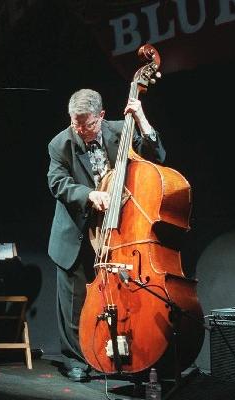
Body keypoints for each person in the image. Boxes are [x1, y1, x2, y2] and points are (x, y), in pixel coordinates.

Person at [46, 89, 165, 382]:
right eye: (75, 123)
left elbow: (158, 156)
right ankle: (75, 360)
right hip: (76, 231)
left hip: (117, 231)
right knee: (73, 301)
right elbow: (57, 183)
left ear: (100, 116)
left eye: (86, 124)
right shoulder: (60, 144)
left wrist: (142, 121)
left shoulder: (122, 131)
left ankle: (118, 354)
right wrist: (90, 195)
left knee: (119, 295)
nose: (80, 130)